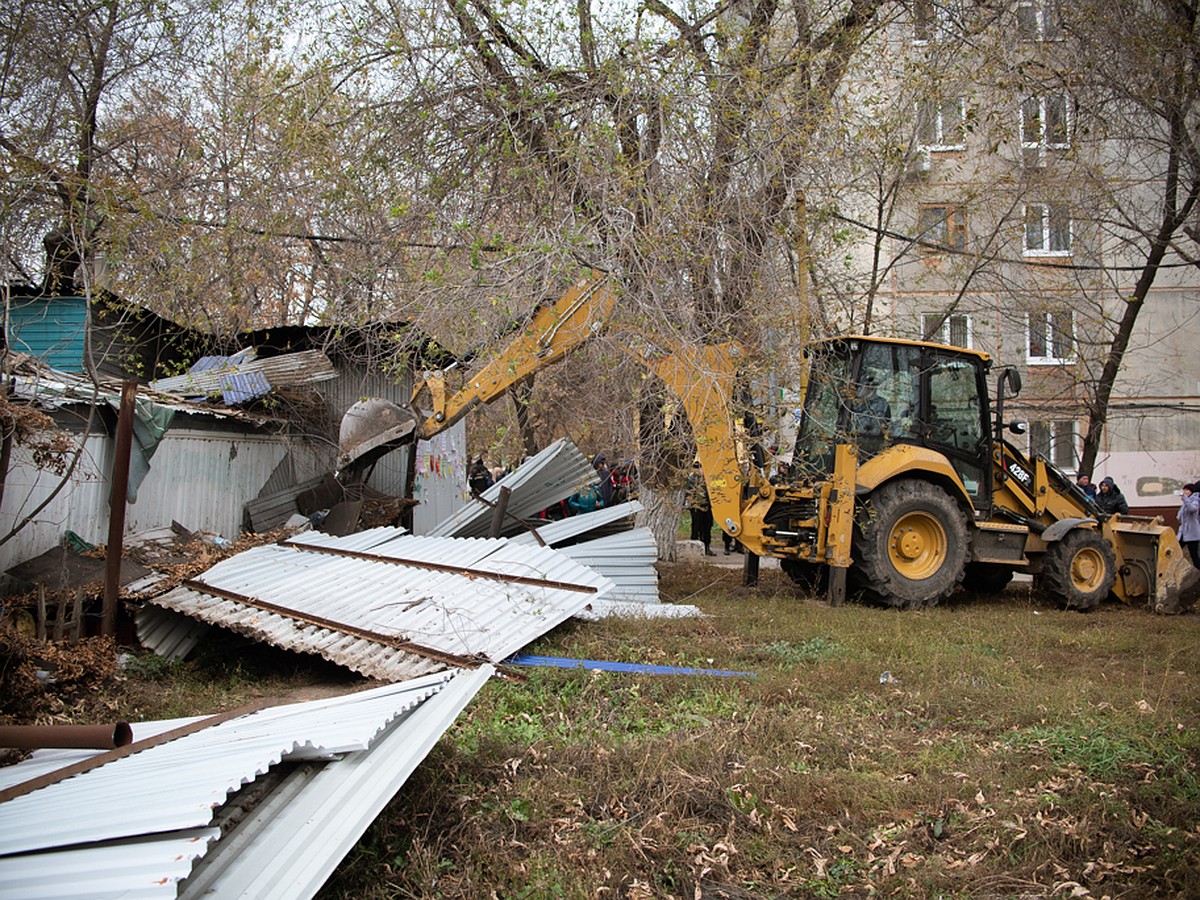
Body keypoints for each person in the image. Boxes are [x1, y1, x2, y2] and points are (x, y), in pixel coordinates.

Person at [850, 373, 892, 452]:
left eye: (866, 386)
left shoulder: (883, 404)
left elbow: (886, 425)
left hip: (874, 445)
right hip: (855, 444)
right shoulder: (853, 404)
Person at [685, 461, 715, 556]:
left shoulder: (708, 478)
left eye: (700, 467)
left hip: (707, 506)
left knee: (707, 527)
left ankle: (706, 547)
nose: (698, 470)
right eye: (696, 468)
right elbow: (688, 492)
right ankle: (694, 547)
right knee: (696, 526)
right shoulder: (691, 479)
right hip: (696, 507)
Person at [1178, 483, 1200, 569]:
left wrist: (1185, 499)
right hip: (1183, 533)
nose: (1185, 492)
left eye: (1187, 490)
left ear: (1191, 491)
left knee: (1195, 559)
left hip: (1192, 534)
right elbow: (1180, 516)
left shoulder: (1195, 500)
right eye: (1184, 490)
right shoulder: (1186, 501)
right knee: (1175, 552)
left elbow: (1192, 509)